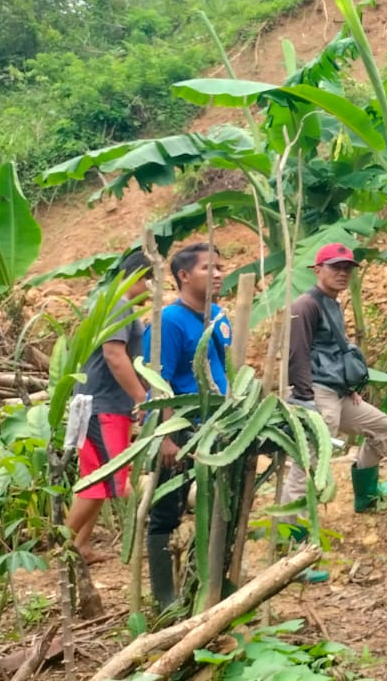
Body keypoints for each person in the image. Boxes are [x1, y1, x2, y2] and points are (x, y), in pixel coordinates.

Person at [141, 242, 233, 609]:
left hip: (217, 426)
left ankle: (204, 585)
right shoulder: (170, 322)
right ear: (182, 275)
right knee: (166, 510)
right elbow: (157, 382)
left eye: (220, 267)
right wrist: (165, 437)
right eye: (207, 268)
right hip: (179, 426)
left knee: (217, 508)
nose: (218, 274)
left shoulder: (219, 316)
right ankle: (165, 598)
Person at [280, 242, 387, 528]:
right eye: (336, 267)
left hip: (338, 391)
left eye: (347, 268)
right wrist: (305, 399)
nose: (343, 273)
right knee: (309, 462)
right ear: (318, 269)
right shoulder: (305, 305)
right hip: (317, 393)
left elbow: (331, 350)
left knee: (381, 427)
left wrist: (348, 386)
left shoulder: (331, 302)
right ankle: (294, 536)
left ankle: (366, 495)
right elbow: (297, 354)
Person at [66, 250, 152, 565]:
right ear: (137, 278)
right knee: (106, 479)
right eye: (148, 283)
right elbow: (115, 355)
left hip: (101, 404)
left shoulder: (111, 304)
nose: (150, 293)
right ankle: (61, 547)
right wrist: (143, 398)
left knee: (97, 477)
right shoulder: (117, 306)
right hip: (101, 406)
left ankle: (80, 545)